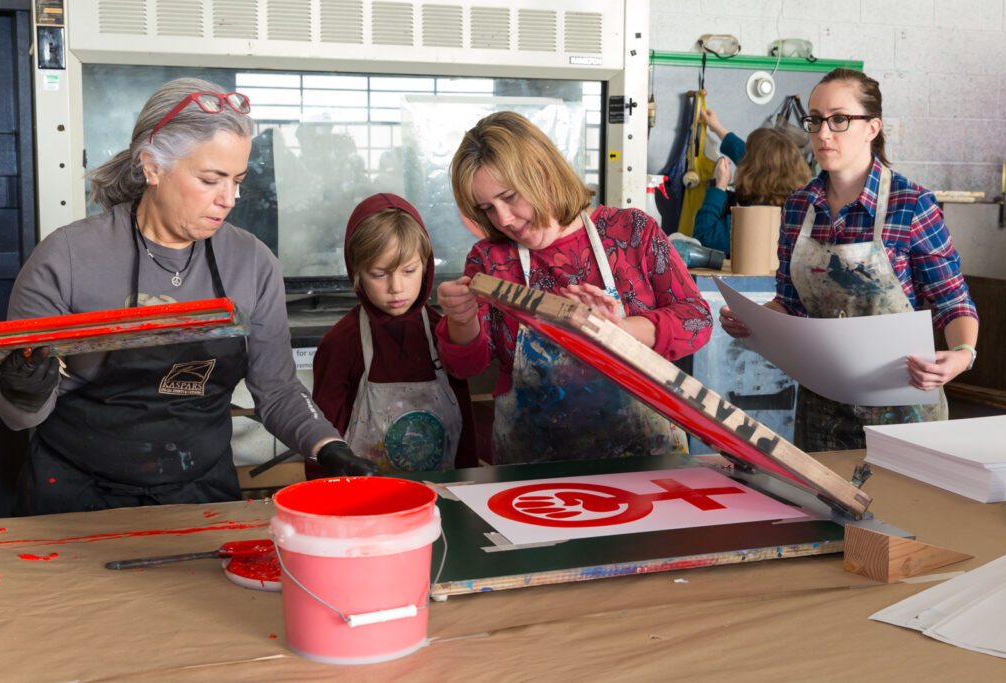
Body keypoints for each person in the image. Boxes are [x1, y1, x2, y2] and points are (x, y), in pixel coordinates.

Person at [0, 77, 375, 516]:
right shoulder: (68, 258)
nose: (228, 199)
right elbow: (16, 416)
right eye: (210, 179)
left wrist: (328, 447)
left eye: (237, 180)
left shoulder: (251, 263)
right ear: (152, 166)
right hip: (76, 497)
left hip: (201, 492)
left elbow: (278, 389)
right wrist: (24, 390)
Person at [719, 69, 979, 452]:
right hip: (822, 405)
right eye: (815, 119)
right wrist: (754, 319)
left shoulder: (911, 205)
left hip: (903, 408)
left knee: (905, 510)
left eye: (839, 119)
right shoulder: (798, 206)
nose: (823, 132)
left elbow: (953, 302)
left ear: (871, 127)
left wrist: (961, 357)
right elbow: (790, 304)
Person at [436, 111, 714, 465]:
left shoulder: (632, 233)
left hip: (643, 460)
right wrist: (460, 320)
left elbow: (697, 321)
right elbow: (468, 367)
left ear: (543, 174)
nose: (502, 219)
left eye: (509, 197)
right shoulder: (490, 261)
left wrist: (622, 331)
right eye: (487, 208)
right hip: (533, 472)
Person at [310, 193, 477, 476]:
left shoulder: (444, 333)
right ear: (356, 272)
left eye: (409, 270)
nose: (396, 287)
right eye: (379, 274)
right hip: (365, 503)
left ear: (426, 266)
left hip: (441, 496)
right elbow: (322, 442)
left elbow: (466, 433)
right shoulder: (341, 344)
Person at [693, 109, 812, 255]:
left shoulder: (754, 221)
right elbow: (754, 159)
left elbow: (703, 238)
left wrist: (720, 187)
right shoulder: (798, 208)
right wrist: (717, 127)